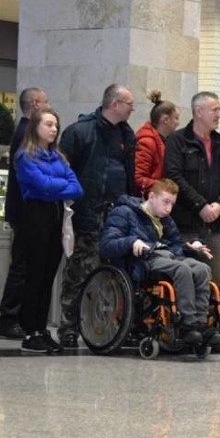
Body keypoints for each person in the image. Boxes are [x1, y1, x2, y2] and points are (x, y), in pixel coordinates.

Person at [57, 84, 137, 348]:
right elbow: (63, 171)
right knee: (80, 270)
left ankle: (104, 326)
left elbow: (129, 175)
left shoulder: (127, 135)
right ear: (114, 104)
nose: (132, 108)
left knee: (112, 272)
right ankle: (69, 326)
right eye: (129, 103)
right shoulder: (80, 132)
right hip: (87, 212)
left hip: (117, 215)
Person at [100, 179, 220, 346]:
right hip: (144, 259)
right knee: (182, 269)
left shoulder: (166, 219)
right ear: (151, 196)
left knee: (202, 269)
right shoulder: (124, 212)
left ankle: (200, 324)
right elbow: (106, 245)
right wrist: (131, 242)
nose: (169, 209)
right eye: (165, 202)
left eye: (172, 204)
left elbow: (175, 244)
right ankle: (188, 324)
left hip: (168, 256)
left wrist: (191, 246)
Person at [14, 109, 83, 353]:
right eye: (49, 124)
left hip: (55, 216)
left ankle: (41, 328)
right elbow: (41, 185)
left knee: (48, 276)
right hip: (35, 217)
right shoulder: (25, 156)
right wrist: (57, 186)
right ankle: (29, 330)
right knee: (34, 276)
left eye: (56, 124)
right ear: (36, 127)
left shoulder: (58, 156)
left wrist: (53, 189)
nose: (54, 129)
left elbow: (77, 188)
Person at [165, 91, 220, 307]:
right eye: (215, 109)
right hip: (187, 222)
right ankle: (186, 326)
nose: (219, 114)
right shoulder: (177, 141)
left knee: (215, 279)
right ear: (199, 112)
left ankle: (209, 325)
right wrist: (201, 205)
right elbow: (174, 175)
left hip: (214, 224)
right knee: (188, 277)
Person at [0, 87, 49, 340]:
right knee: (20, 266)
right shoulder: (24, 135)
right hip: (25, 211)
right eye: (46, 103)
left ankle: (19, 317)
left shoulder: (26, 133)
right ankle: (8, 318)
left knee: (25, 266)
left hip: (27, 211)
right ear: (36, 104)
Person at [135, 90, 180, 198]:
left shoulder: (165, 141)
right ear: (165, 120)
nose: (178, 123)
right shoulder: (147, 142)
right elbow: (138, 178)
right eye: (176, 118)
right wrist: (165, 187)